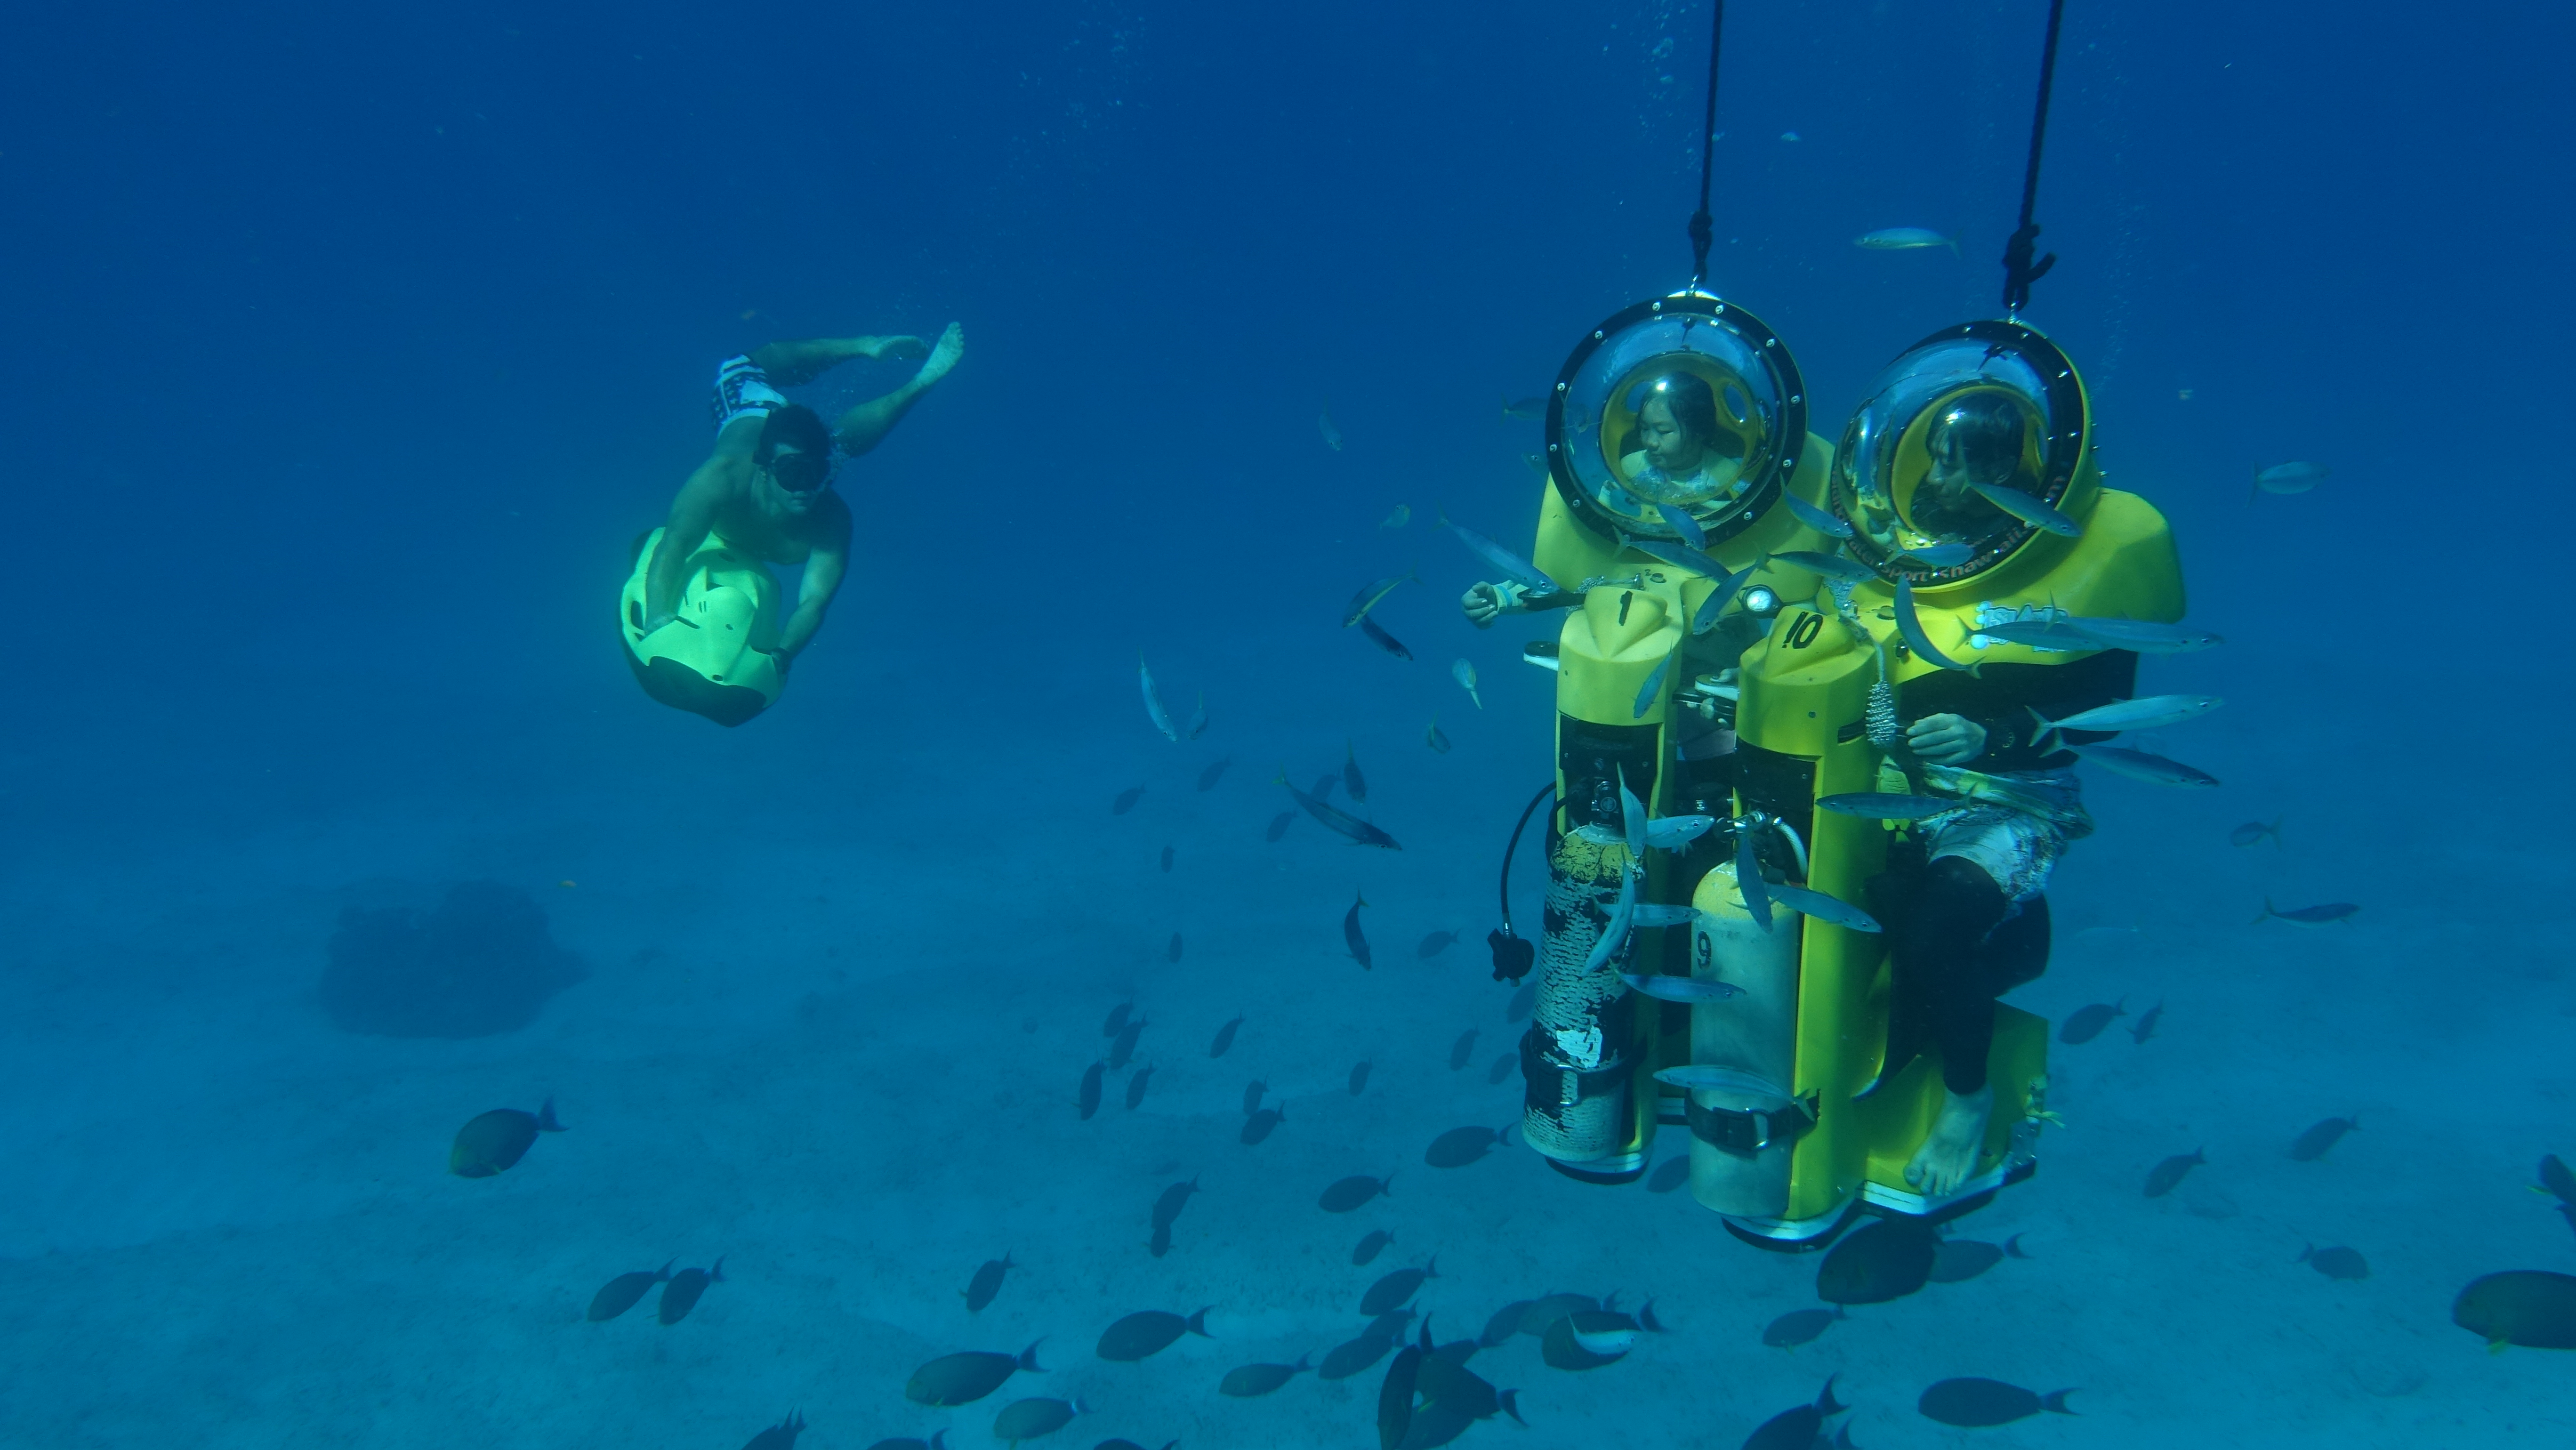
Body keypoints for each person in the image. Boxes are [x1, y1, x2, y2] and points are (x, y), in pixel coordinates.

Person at [1873, 395, 2129, 1198]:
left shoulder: (2070, 558)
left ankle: (1967, 1098)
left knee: (1931, 935)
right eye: (1936, 459)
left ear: (2004, 472)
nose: (1938, 480)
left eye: (1959, 466)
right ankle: (2011, 942)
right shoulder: (1896, 535)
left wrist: (1995, 734)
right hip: (1896, 785)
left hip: (2015, 796)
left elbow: (2108, 707)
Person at [641, 324, 966, 667]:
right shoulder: (719, 481)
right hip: (750, 407)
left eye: (816, 474)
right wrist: (657, 616)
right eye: (792, 474)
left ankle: (920, 382)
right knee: (738, 366)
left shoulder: (830, 517)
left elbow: (815, 602)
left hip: (798, 447)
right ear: (765, 469)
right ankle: (862, 344)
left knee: (840, 445)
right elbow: (674, 545)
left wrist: (782, 656)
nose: (804, 488)